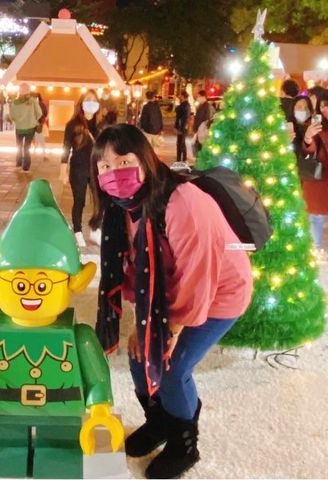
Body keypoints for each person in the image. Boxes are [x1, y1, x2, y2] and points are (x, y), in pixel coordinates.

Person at [89, 124, 253, 479]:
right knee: (139, 358)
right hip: (168, 295)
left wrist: (171, 329)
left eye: (124, 161)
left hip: (218, 293)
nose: (114, 172)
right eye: (105, 166)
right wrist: (143, 325)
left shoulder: (183, 203)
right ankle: (160, 421)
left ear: (145, 159)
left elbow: (198, 274)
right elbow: (137, 270)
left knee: (171, 368)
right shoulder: (123, 208)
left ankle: (184, 443)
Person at [60, 89, 102, 247]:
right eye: (88, 100)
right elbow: (66, 148)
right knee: (80, 201)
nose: (91, 103)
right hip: (78, 168)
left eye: (94, 100)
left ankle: (95, 230)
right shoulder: (73, 124)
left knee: (99, 201)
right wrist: (63, 170)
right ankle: (77, 231)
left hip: (97, 169)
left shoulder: (100, 124)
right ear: (81, 104)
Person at [302, 90, 328, 260]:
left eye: (327, 105)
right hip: (319, 179)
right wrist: (308, 138)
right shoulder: (315, 125)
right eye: (322, 105)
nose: (324, 109)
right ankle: (316, 251)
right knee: (316, 218)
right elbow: (308, 151)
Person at [9, 83, 42, 172]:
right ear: (28, 91)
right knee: (27, 147)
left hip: (19, 128)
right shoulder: (33, 101)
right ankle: (26, 166)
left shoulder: (15, 102)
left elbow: (12, 116)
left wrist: (18, 120)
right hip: (30, 127)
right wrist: (33, 119)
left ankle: (18, 162)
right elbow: (39, 113)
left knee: (19, 146)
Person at [193, 89, 214, 155]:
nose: (197, 98)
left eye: (198, 96)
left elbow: (205, 119)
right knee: (198, 148)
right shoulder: (201, 106)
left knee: (201, 148)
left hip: (202, 130)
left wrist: (197, 128)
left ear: (203, 96)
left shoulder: (206, 106)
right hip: (199, 130)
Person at [174, 90, 191, 163]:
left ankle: (183, 159)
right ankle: (180, 158)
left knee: (181, 143)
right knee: (180, 143)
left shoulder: (186, 105)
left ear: (183, 96)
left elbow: (185, 118)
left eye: (180, 95)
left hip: (182, 127)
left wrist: (181, 129)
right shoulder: (183, 104)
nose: (179, 97)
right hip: (181, 126)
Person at [33, 93, 48, 160]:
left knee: (29, 139)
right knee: (40, 139)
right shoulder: (42, 104)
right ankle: (44, 155)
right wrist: (42, 120)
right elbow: (45, 113)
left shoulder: (31, 104)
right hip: (39, 124)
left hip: (32, 124)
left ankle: (26, 154)